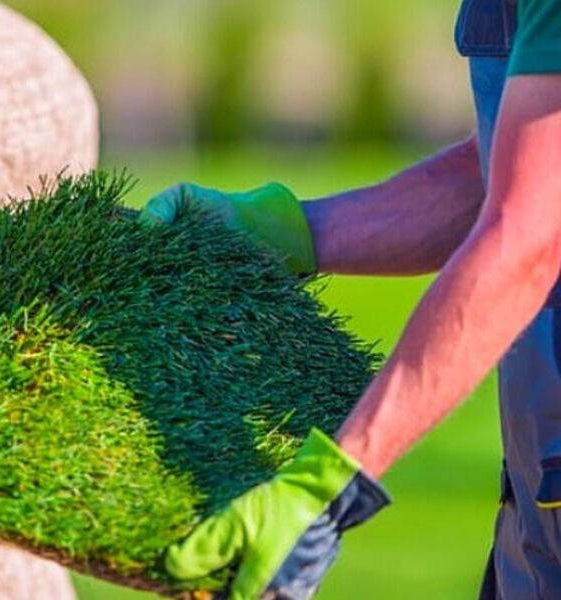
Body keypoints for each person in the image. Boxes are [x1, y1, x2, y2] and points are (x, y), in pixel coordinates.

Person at [142, 1, 561, 598]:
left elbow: (527, 235)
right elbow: (505, 170)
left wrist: (328, 486)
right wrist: (287, 232)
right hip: (536, 496)